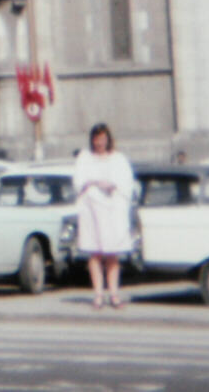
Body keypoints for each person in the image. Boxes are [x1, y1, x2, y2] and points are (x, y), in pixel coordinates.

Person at [72, 121, 136, 310]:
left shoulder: (118, 159)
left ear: (108, 140)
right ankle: (98, 294)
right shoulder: (85, 158)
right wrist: (93, 183)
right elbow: (78, 182)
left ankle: (114, 294)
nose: (99, 142)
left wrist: (112, 185)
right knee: (95, 252)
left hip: (112, 210)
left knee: (112, 253)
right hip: (92, 210)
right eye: (96, 139)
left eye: (102, 139)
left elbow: (126, 183)